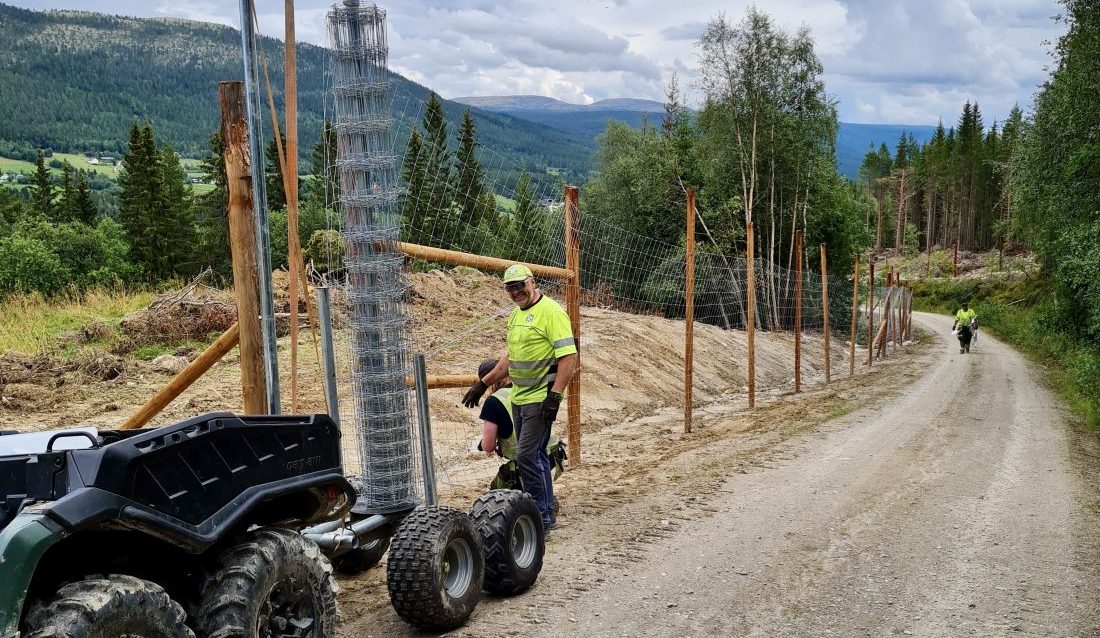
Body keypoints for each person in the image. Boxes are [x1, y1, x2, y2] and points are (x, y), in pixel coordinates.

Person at [462, 264, 578, 532]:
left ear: (532, 282)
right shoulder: (515, 316)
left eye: (520, 286)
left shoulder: (551, 312)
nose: (516, 292)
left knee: (526, 455)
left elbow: (569, 357)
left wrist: (555, 396)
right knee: (535, 455)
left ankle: (539, 515)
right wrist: (482, 384)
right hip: (519, 397)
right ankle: (546, 512)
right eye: (510, 288)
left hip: (540, 398)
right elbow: (509, 360)